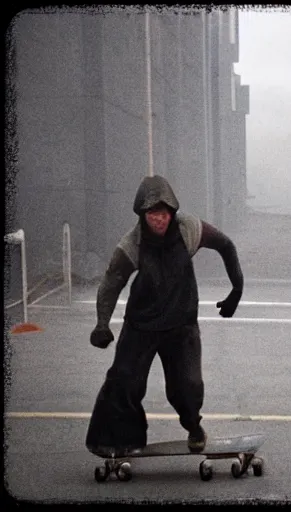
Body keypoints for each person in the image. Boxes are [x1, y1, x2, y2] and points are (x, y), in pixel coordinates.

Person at [85, 174, 243, 457]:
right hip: (141, 326)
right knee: (124, 382)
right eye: (152, 214)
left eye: (164, 213)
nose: (159, 219)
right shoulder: (131, 245)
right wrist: (101, 324)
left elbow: (226, 246)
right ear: (142, 214)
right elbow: (111, 284)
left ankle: (194, 427)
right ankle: (119, 440)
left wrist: (236, 289)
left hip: (181, 325)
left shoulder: (189, 229)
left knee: (187, 388)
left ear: (172, 211)